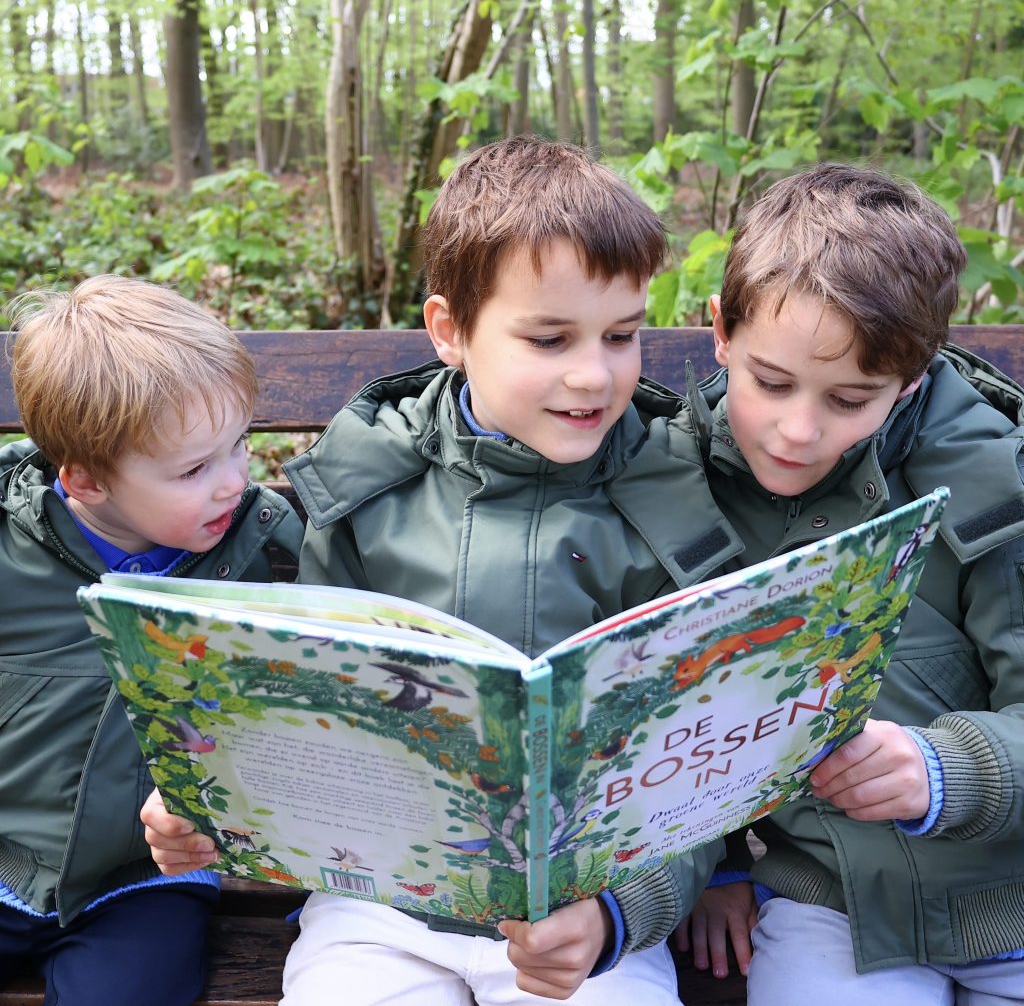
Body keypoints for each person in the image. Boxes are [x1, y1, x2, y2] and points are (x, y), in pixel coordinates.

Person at [142, 135, 747, 1004]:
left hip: (579, 911)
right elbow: (288, 698)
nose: (593, 372)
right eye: (549, 338)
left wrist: (620, 914)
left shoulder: (666, 499)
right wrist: (208, 799)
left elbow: (705, 756)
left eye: (622, 334)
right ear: (450, 331)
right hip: (378, 902)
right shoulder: (369, 484)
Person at [676, 162, 1024, 1004]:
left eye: (851, 398)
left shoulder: (995, 489)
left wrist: (949, 769)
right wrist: (716, 867)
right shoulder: (679, 484)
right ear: (720, 332)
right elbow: (667, 713)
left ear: (910, 379)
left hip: (1007, 898)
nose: (799, 430)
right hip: (829, 902)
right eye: (771, 382)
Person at [0, 275, 303, 1006]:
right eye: (195, 469)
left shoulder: (265, 549)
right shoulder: (11, 556)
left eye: (238, 448)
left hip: (148, 878)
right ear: (85, 480)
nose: (234, 482)